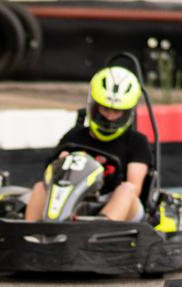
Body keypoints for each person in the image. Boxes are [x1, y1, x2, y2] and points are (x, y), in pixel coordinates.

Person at [24, 65, 153, 224]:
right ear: (94, 105)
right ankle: (31, 233)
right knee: (39, 187)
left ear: (127, 112)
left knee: (127, 190)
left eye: (116, 111)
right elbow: (51, 175)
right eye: (105, 108)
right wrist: (62, 163)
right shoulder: (74, 137)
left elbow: (135, 187)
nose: (110, 116)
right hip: (76, 201)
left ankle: (101, 229)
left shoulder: (137, 142)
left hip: (119, 206)